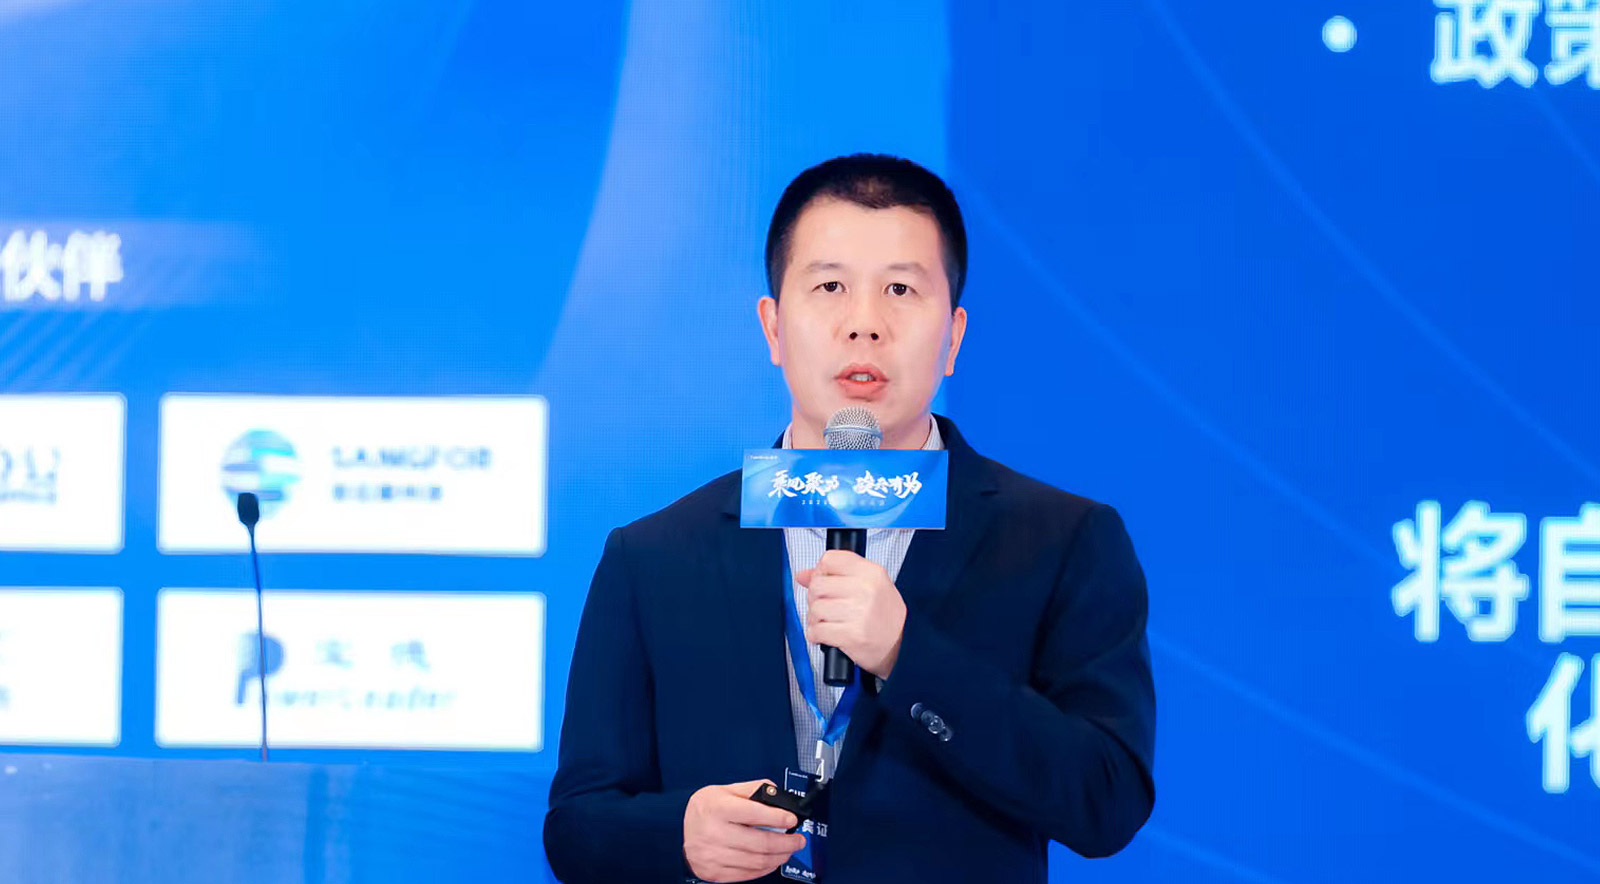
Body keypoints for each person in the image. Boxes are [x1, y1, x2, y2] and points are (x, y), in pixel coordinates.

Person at [545, 154, 1155, 883]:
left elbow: (1107, 802)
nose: (864, 325)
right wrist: (676, 834)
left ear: (954, 337)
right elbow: (577, 826)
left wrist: (907, 656)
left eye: (900, 289)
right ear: (773, 327)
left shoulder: (1062, 541)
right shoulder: (654, 555)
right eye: (830, 286)